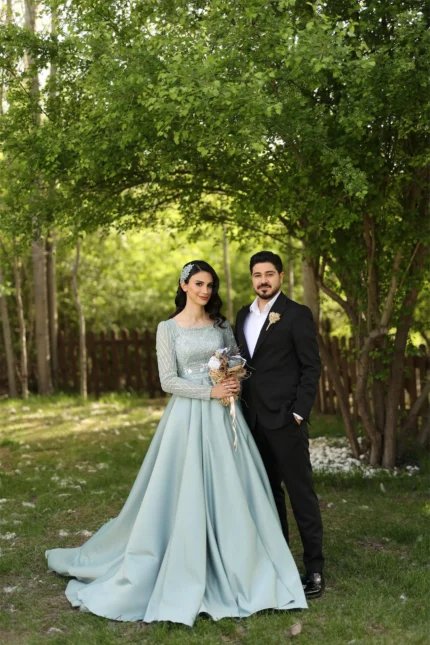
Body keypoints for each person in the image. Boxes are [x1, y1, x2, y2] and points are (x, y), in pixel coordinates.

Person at [46, 260, 307, 626]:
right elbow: (167, 380)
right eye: (198, 284)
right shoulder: (167, 328)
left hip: (223, 417)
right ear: (184, 285)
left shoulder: (221, 325)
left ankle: (242, 559)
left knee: (232, 487)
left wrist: (234, 381)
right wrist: (208, 391)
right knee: (182, 486)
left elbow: (236, 363)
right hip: (186, 417)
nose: (205, 291)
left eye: (210, 285)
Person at [235, 251, 324, 599]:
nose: (263, 281)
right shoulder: (243, 315)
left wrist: (299, 412)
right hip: (252, 419)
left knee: (301, 494)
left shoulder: (296, 314)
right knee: (268, 494)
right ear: (252, 278)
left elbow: (311, 366)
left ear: (281, 276)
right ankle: (279, 562)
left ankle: (314, 569)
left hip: (286, 419)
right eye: (257, 275)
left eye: (269, 274)